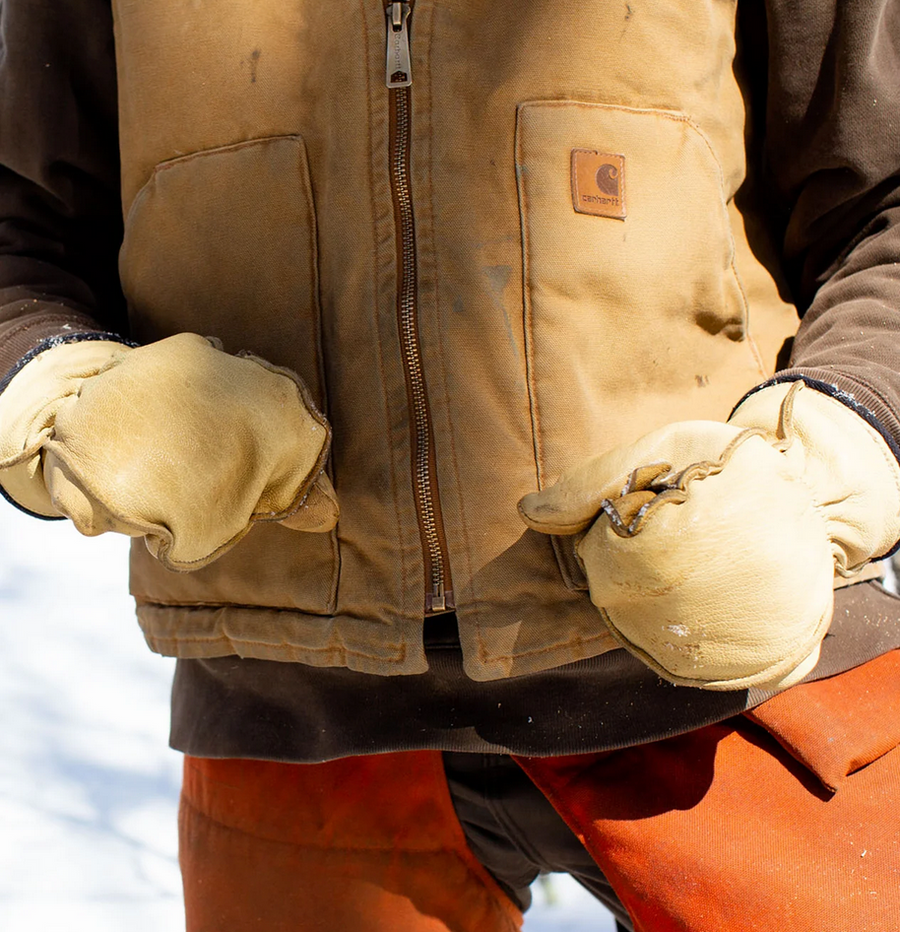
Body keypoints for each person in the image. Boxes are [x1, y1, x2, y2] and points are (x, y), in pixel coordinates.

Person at [2, 1, 900, 929]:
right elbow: (21, 230)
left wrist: (813, 471)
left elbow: (885, 206)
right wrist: (63, 393)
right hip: (293, 708)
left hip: (734, 650)